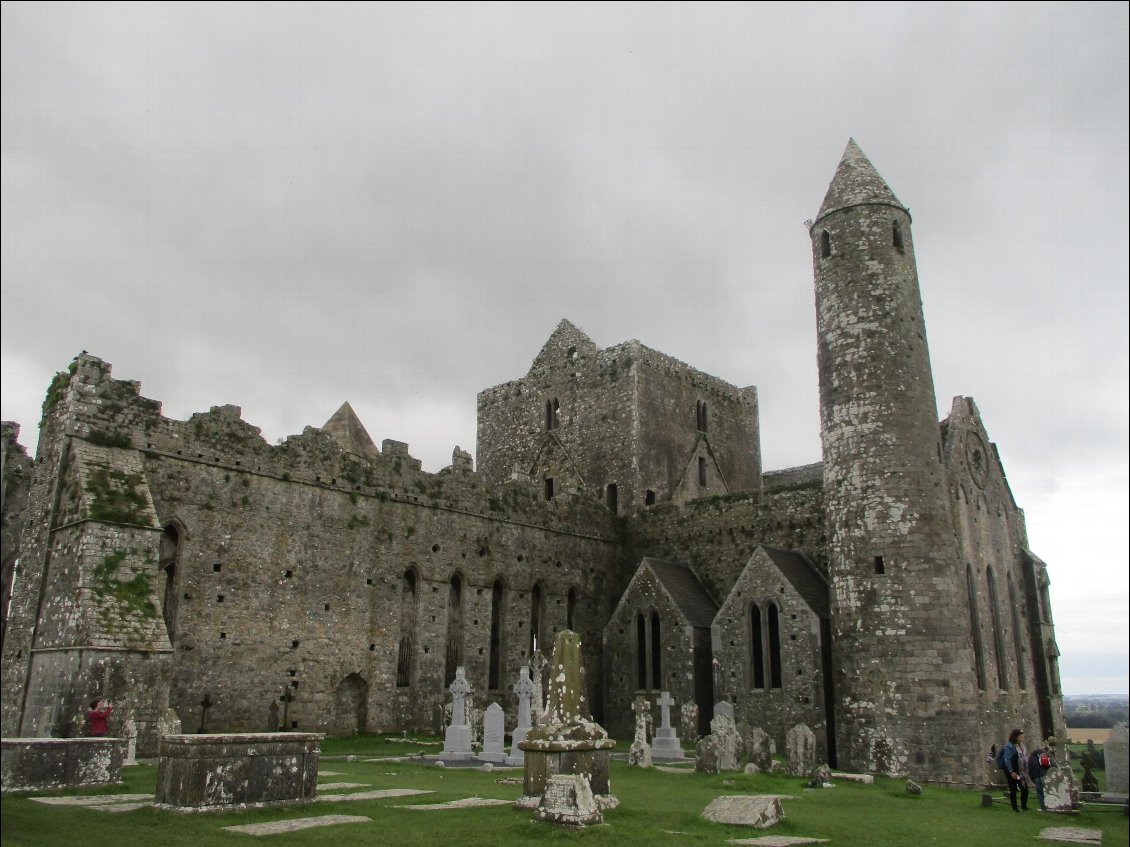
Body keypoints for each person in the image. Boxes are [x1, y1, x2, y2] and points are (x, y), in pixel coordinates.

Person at [1000, 728, 1029, 812]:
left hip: (1021, 771)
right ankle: (1015, 808)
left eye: (1022, 737)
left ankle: (1024, 807)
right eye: (1020, 737)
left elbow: (1024, 756)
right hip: (1013, 771)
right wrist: (1011, 771)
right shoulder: (1009, 746)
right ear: (1015, 737)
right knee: (1013, 789)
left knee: (1024, 789)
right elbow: (1007, 759)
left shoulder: (1021, 746)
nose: (1022, 738)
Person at [1028, 745, 1055, 811]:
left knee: (1039, 792)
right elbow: (1053, 765)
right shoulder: (1045, 755)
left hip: (1036, 777)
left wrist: (1033, 779)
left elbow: (1030, 771)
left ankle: (1043, 807)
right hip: (1046, 776)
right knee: (1049, 790)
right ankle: (1051, 805)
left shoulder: (1031, 758)